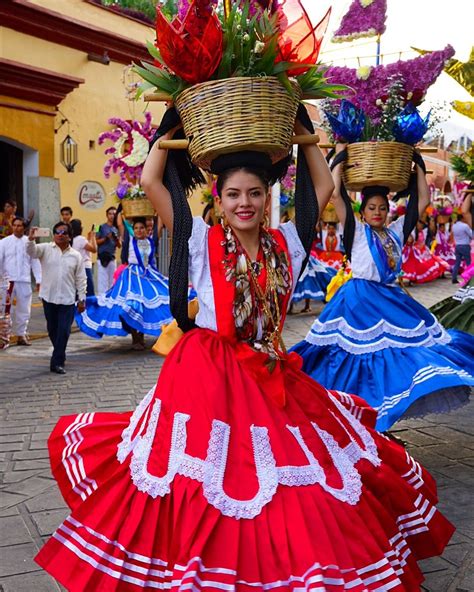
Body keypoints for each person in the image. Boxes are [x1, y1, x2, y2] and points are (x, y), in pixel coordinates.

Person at [35, 108, 454, 591]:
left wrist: (305, 135)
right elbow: (152, 182)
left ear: (267, 195)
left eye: (255, 193)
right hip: (208, 373)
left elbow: (322, 192)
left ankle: (278, 566)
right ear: (220, 198)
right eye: (233, 194)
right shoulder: (198, 241)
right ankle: (203, 564)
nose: (245, 203)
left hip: (270, 370)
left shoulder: (286, 242)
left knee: (293, 476)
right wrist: (169, 127)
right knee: (203, 477)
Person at [292, 155, 474, 432]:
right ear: (362, 211)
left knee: (396, 355)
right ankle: (351, 414)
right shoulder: (355, 230)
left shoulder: (396, 232)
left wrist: (419, 165)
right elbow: (336, 193)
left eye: (382, 208)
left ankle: (380, 415)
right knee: (351, 357)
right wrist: (341, 157)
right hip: (357, 302)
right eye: (371, 208)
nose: (377, 212)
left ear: (388, 211)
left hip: (390, 299)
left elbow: (421, 202)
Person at [76, 215, 174, 350]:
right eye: (136, 228)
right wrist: (122, 203)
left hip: (149, 275)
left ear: (147, 230)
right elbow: (121, 224)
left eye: (142, 228)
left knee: (149, 304)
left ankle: (142, 335)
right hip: (132, 277)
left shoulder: (152, 240)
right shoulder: (130, 240)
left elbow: (160, 224)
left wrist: (157, 209)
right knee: (130, 306)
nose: (139, 231)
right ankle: (136, 337)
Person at [27, 222, 86, 374]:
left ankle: (57, 362)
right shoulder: (46, 248)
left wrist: (82, 298)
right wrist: (31, 239)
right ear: (53, 234)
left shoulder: (76, 256)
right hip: (48, 297)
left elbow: (81, 278)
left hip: (67, 299)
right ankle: (60, 353)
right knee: (53, 330)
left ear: (69, 236)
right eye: (57, 232)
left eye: (64, 232)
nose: (60, 234)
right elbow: (31, 252)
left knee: (64, 331)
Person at [0, 216, 41, 345]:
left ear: (24, 228)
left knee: (24, 309)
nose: (17, 228)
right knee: (5, 309)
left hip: (24, 280)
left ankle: (21, 335)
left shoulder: (29, 243)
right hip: (7, 282)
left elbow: (35, 262)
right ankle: (5, 336)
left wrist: (39, 280)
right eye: (15, 225)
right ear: (12, 226)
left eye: (20, 225)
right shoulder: (4, 242)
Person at [402, 219, 449, 283]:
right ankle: (403, 279)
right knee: (405, 266)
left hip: (418, 251)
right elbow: (409, 241)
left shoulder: (423, 232)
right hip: (410, 251)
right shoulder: (412, 232)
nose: (421, 227)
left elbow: (422, 242)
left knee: (420, 264)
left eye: (422, 226)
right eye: (420, 225)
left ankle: (412, 279)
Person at [96, 206, 120, 294]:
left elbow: (119, 245)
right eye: (110, 214)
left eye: (114, 214)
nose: (112, 216)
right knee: (102, 282)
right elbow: (95, 241)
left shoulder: (118, 228)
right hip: (102, 257)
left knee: (112, 281)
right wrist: (106, 238)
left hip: (112, 257)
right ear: (106, 215)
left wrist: (116, 239)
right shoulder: (99, 226)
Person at [70, 219, 97, 296]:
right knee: (89, 291)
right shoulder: (81, 239)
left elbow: (83, 249)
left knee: (79, 291)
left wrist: (88, 239)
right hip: (85, 267)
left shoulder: (72, 240)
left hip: (76, 267)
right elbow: (94, 249)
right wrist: (93, 236)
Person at [451, 213, 472, 283]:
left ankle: (454, 278)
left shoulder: (454, 226)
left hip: (457, 246)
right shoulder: (465, 226)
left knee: (457, 262)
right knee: (468, 262)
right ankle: (470, 277)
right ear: (462, 218)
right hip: (465, 245)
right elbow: (471, 235)